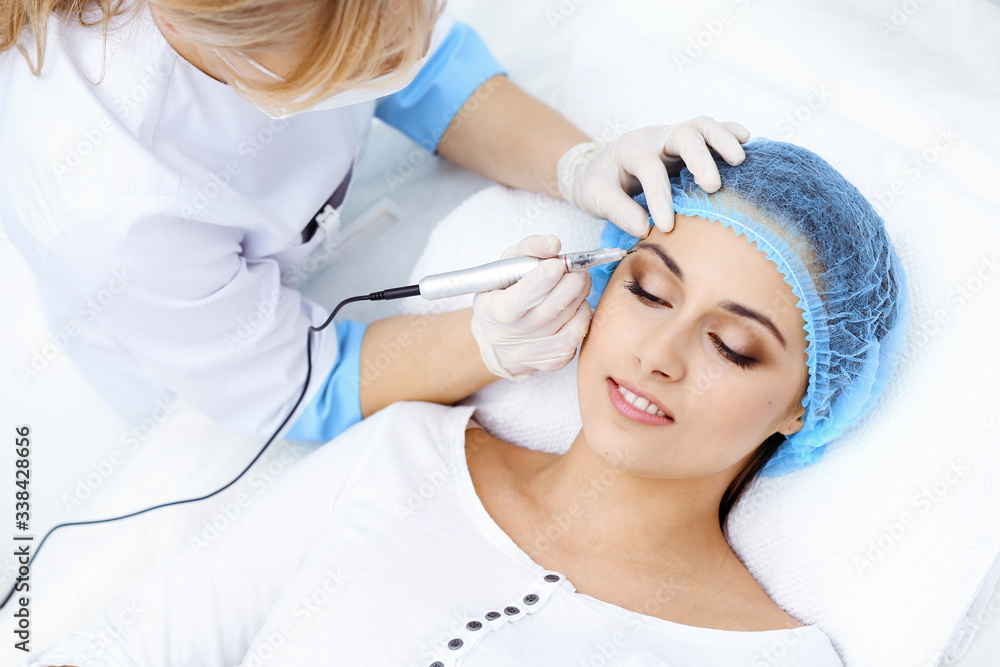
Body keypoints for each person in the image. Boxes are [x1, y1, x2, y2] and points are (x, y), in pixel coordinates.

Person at [28, 139, 910, 666]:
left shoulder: (773, 656)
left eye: (733, 346)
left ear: (807, 404)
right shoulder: (402, 454)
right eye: (647, 290)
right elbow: (132, 648)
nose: (659, 355)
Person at [0, 0, 749, 442]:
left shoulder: (317, 25)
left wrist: (578, 162)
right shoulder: (116, 208)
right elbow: (299, 385)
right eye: (379, 55)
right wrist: (485, 345)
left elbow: (427, 75)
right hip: (195, 371)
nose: (412, 47)